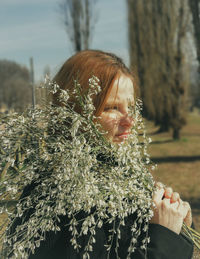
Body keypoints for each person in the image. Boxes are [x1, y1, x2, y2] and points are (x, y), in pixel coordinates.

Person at [6, 50, 193, 259]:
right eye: (112, 107)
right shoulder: (60, 198)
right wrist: (165, 238)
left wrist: (176, 225)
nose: (130, 121)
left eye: (130, 107)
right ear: (75, 110)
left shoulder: (122, 176)